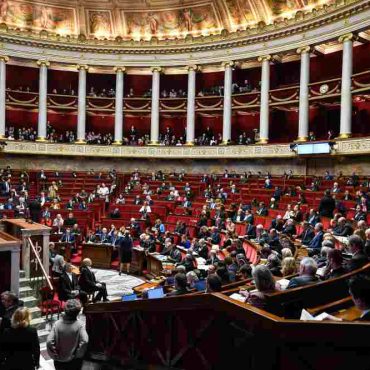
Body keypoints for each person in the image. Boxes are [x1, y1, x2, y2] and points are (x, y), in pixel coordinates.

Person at [47, 299, 88, 370]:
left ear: (65, 310)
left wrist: (55, 355)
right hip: (74, 361)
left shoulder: (57, 324)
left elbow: (49, 341)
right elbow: (85, 341)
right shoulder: (80, 325)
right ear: (78, 312)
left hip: (59, 361)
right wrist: (78, 355)